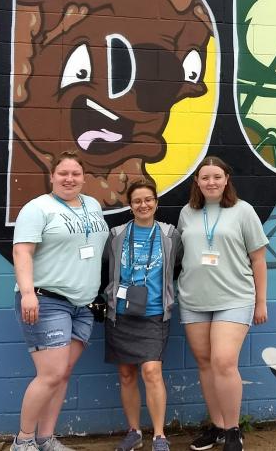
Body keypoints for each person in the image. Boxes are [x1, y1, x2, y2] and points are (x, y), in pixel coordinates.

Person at [11, 151, 110, 451]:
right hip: (47, 300)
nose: (70, 179)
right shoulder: (37, 208)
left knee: (62, 374)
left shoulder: (92, 205)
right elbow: (22, 252)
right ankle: (23, 441)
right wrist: (28, 293)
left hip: (83, 306)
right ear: (52, 176)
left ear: (84, 177)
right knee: (51, 373)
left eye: (76, 174)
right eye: (63, 173)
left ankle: (45, 439)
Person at [177, 157, 268, 451]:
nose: (211, 182)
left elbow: (258, 260)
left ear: (227, 179)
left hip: (234, 297)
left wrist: (260, 303)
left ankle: (233, 431)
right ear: (197, 182)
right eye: (205, 178)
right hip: (194, 299)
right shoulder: (187, 213)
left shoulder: (244, 211)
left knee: (224, 361)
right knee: (205, 364)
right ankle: (217, 427)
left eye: (217, 176)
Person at [103, 179, 182, 451]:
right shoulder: (116, 235)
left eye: (148, 199)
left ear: (156, 203)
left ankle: (159, 435)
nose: (143, 204)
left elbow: (180, 264)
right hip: (120, 314)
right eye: (137, 200)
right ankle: (134, 432)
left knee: (151, 371)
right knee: (126, 374)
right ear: (130, 205)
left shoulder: (170, 235)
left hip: (154, 314)